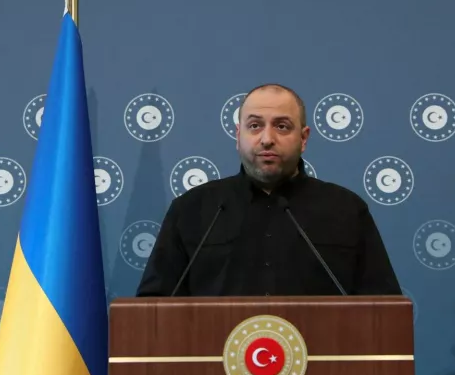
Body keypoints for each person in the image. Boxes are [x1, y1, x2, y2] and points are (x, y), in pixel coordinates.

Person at [136, 82, 401, 298]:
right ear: (238, 136)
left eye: (282, 126)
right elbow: (154, 309)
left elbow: (383, 309)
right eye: (255, 126)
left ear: (304, 138)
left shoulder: (346, 210)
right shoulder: (192, 210)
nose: (267, 139)